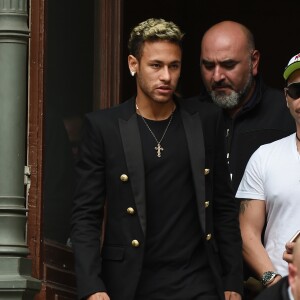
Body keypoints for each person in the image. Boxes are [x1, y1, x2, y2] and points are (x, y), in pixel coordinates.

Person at [70, 18, 243, 300]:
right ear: (133, 64)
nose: (166, 76)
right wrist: (92, 286)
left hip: (197, 280)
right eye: (156, 65)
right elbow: (86, 215)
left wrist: (232, 279)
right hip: (132, 282)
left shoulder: (205, 121)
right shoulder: (104, 128)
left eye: (174, 66)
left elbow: (223, 207)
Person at [197, 20, 295, 194]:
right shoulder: (190, 116)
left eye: (228, 65)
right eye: (208, 66)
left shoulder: (287, 113)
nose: (217, 76)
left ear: (254, 62)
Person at [236, 52, 300, 293]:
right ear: (286, 98)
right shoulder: (265, 156)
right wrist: (275, 285)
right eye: (296, 91)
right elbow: (247, 232)